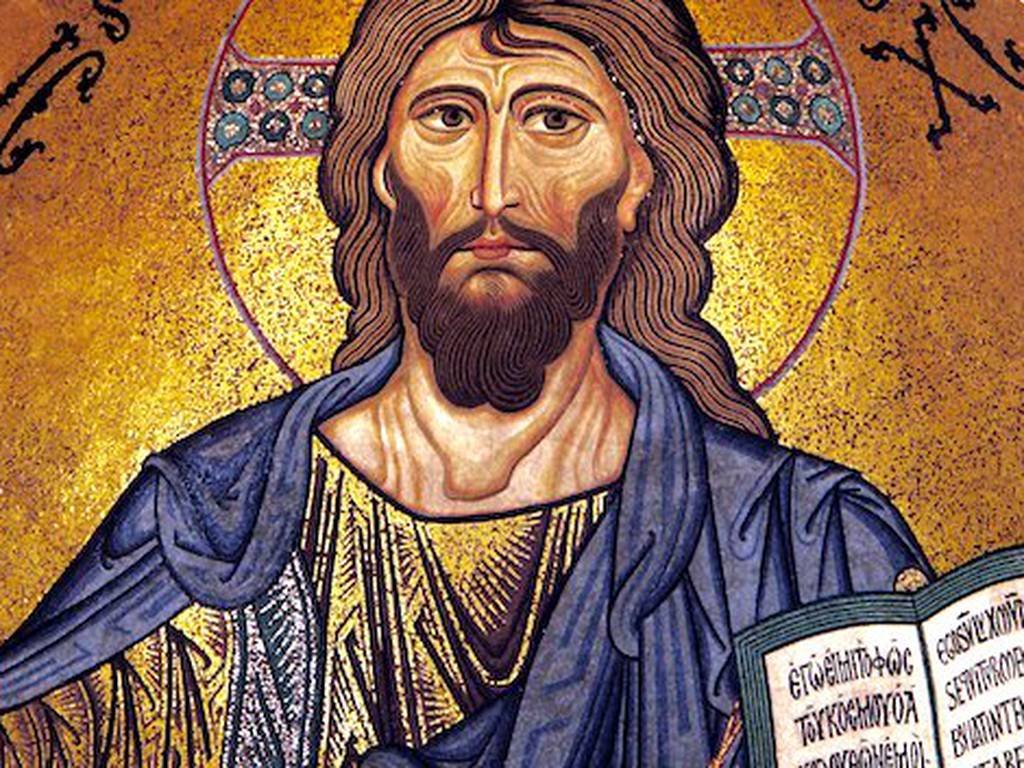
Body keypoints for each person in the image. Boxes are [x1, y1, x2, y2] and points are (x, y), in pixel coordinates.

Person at [0, 1, 932, 766]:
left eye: (555, 121)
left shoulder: (799, 547)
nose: (494, 189)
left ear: (639, 177)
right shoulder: (212, 521)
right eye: (447, 118)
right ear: (382, 171)